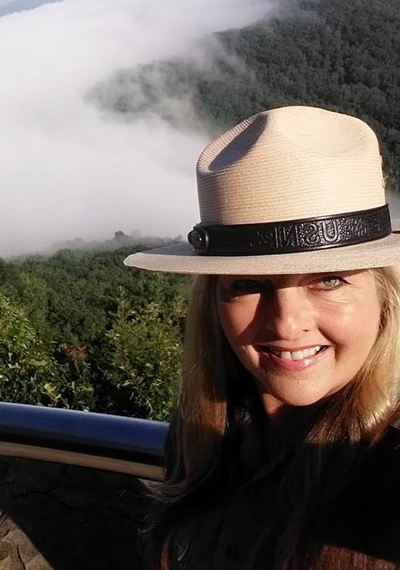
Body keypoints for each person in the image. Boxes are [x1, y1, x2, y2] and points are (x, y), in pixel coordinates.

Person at [124, 106, 400, 569]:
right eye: (249, 285)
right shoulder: (204, 436)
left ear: (385, 299)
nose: (287, 325)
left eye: (329, 280)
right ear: (214, 305)